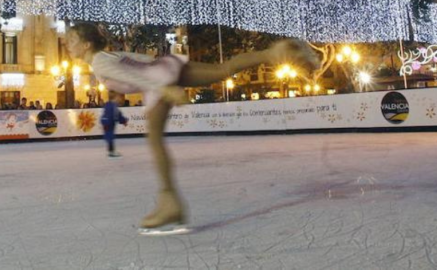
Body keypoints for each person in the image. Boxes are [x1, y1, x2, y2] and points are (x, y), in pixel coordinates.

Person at [66, 23, 318, 233]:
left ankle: (170, 203)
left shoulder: (99, 64)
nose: (68, 44)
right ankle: (277, 52)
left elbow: (137, 78)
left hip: (158, 81)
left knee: (154, 139)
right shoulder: (106, 56)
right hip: (165, 67)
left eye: (72, 39)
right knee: (224, 69)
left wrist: (165, 88)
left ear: (86, 44)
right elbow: (140, 62)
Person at [101, 92, 128, 158]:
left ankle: (111, 151)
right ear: (115, 98)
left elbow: (117, 115)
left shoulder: (108, 104)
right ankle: (111, 152)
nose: (119, 99)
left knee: (110, 137)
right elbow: (117, 115)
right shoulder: (113, 106)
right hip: (109, 123)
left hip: (107, 122)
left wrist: (123, 120)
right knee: (110, 137)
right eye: (118, 97)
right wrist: (123, 121)